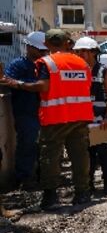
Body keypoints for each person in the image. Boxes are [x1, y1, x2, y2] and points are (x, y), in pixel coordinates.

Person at [0, 29, 93, 209]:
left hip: (56, 116)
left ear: (48, 44)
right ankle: (83, 193)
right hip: (80, 115)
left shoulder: (48, 62)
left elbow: (43, 86)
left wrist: (17, 83)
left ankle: (50, 196)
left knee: (49, 155)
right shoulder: (81, 62)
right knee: (80, 155)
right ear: (67, 43)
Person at [75, 37, 107, 195]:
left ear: (94, 52)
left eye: (85, 51)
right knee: (86, 155)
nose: (82, 54)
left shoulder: (104, 71)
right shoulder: (75, 71)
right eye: (79, 51)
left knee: (104, 152)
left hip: (101, 120)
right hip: (82, 121)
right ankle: (88, 185)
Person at [4, 31, 46, 190]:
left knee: (45, 145)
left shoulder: (45, 64)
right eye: (40, 50)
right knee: (27, 144)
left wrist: (25, 84)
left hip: (45, 111)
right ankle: (25, 177)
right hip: (26, 112)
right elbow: (8, 81)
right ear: (29, 48)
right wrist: (32, 84)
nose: (43, 53)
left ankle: (44, 176)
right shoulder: (18, 65)